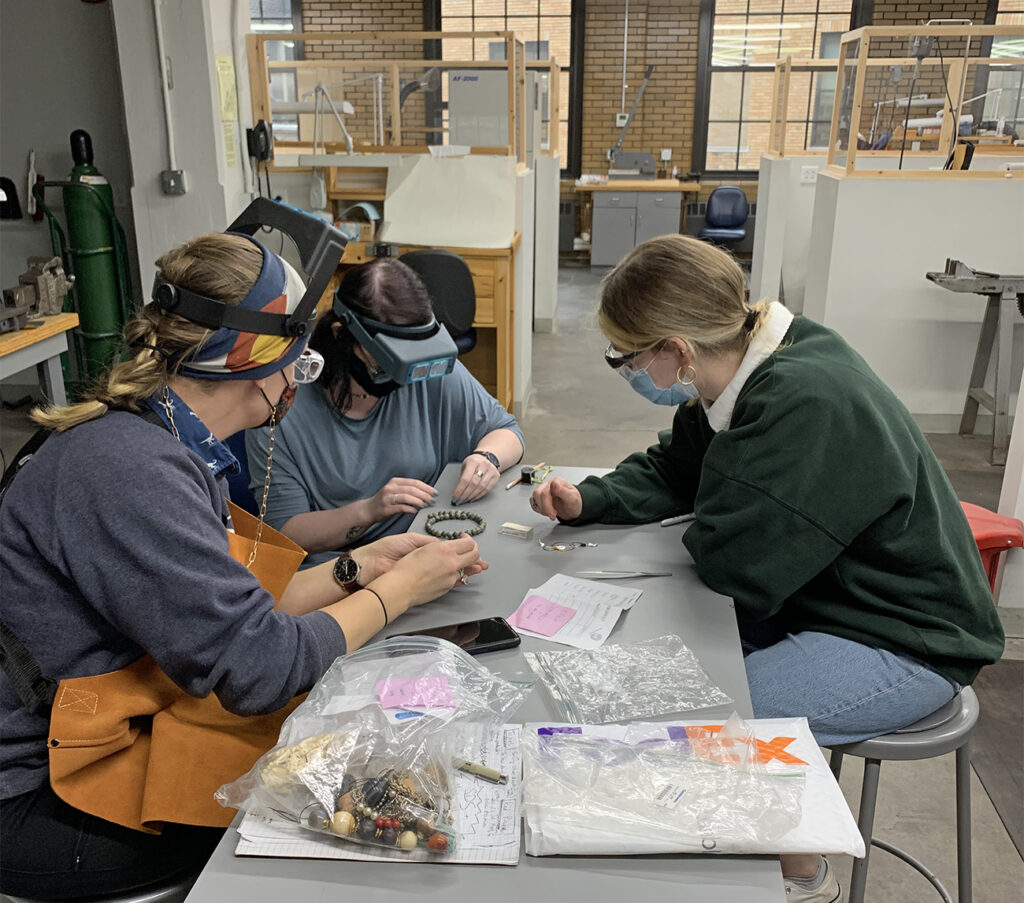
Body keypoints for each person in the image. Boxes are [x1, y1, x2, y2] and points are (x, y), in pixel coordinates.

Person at [0, 225, 486, 900]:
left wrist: (359, 567)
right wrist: (398, 592)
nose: (302, 373)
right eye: (299, 353)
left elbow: (233, 607)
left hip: (103, 731)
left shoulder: (163, 433)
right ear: (252, 359)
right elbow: (259, 666)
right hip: (38, 790)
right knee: (323, 819)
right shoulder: (131, 468)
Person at [529, 234, 1004, 903]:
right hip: (826, 602)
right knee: (656, 678)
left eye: (631, 356)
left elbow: (734, 567)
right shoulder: (747, 364)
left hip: (905, 637)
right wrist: (591, 498)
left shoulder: (801, 398)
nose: (633, 370)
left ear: (679, 350)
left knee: (707, 719)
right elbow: (677, 467)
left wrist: (710, 510)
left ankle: (800, 873)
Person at [246, 257, 524, 567]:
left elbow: (507, 432)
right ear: (342, 335)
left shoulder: (429, 368)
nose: (402, 379)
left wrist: (486, 458)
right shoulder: (281, 402)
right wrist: (369, 510)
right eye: (385, 363)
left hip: (427, 555)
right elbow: (286, 533)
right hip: (342, 573)